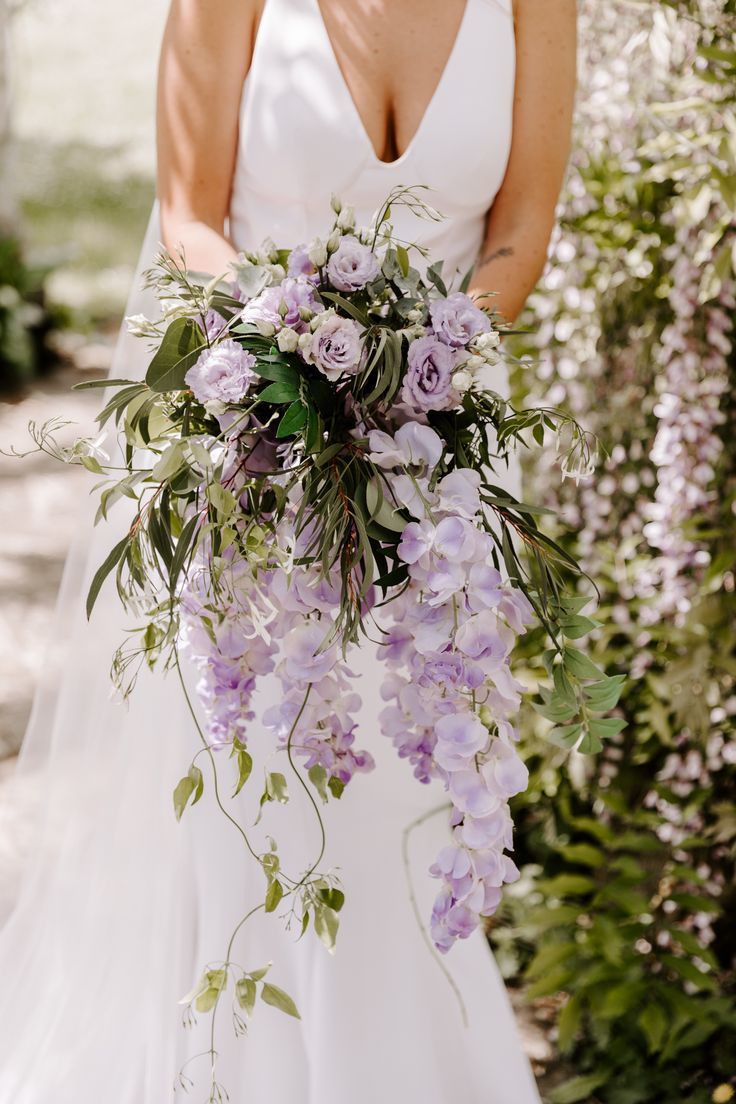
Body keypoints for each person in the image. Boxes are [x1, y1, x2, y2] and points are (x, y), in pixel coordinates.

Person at [0, 1, 575, 1100]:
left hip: (438, 472)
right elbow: (189, 216)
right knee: (260, 791)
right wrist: (294, 355)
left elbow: (519, 228)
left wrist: (408, 369)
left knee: (407, 793)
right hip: (262, 456)